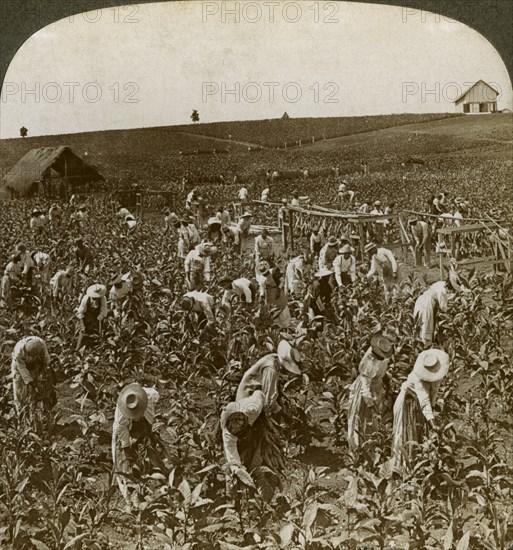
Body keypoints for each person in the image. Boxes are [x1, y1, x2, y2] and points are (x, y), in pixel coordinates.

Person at [220, 340, 301, 497]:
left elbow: (263, 396)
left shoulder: (253, 408)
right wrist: (284, 416)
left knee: (254, 442)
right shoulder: (271, 367)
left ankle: (255, 476)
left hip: (252, 398)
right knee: (242, 451)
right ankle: (237, 491)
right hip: (246, 398)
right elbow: (270, 401)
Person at [390, 349, 449, 474]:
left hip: (420, 404)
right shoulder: (419, 379)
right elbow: (424, 402)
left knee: (421, 432)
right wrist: (433, 424)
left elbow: (433, 393)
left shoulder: (437, 375)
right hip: (409, 403)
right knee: (408, 434)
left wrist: (432, 412)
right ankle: (405, 469)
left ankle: (420, 465)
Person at [112, 383, 164, 505]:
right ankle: (130, 497)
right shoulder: (121, 416)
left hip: (143, 427)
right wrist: (129, 455)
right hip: (125, 431)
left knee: (152, 454)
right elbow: (124, 441)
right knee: (123, 464)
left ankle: (153, 482)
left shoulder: (149, 396)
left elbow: (157, 394)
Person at [347, 335, 393, 454]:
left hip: (377, 387)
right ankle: (359, 450)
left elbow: (383, 371)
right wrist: (371, 406)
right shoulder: (368, 364)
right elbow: (365, 388)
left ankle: (375, 448)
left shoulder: (384, 357)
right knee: (362, 420)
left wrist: (387, 385)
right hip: (364, 392)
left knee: (376, 421)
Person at [11, 336, 55, 416]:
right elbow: (23, 371)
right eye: (32, 356)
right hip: (19, 368)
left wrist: (48, 371)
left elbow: (46, 359)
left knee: (39, 388)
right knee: (20, 391)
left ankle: (39, 412)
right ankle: (21, 414)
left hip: (35, 365)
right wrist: (32, 383)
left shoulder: (41, 343)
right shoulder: (19, 351)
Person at [257, 261, 292, 329]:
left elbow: (282, 280)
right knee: (273, 310)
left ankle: (286, 326)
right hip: (269, 294)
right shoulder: (261, 278)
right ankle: (277, 326)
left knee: (282, 307)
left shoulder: (274, 271)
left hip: (277, 290)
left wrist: (278, 290)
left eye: (266, 272)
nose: (266, 274)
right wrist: (261, 296)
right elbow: (262, 287)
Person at [76, 284, 108, 350]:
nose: (95, 299)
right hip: (86, 317)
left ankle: (96, 348)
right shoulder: (86, 299)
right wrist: (82, 325)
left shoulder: (103, 298)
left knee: (97, 333)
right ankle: (78, 349)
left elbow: (103, 310)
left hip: (96, 317)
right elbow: (80, 313)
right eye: (94, 297)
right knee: (83, 333)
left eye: (96, 298)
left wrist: (100, 316)